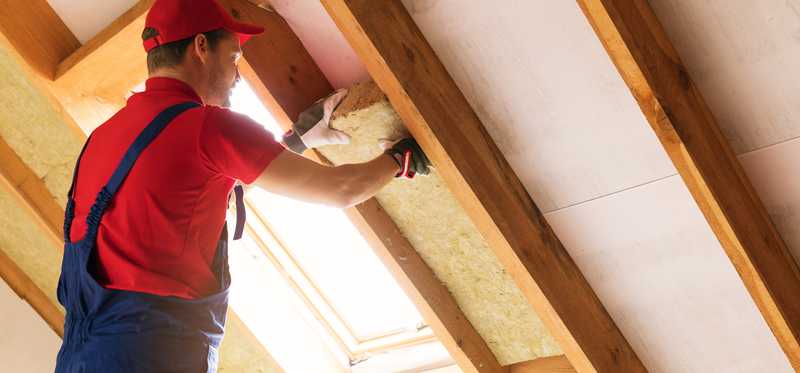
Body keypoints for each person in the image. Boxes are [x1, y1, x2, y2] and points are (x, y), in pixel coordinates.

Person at [54, 0, 430, 372]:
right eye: (233, 59)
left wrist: (297, 141)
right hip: (152, 354)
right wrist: (400, 158)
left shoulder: (104, 135)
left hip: (80, 356)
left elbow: (199, 195)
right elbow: (340, 190)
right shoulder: (210, 127)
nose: (236, 77)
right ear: (201, 47)